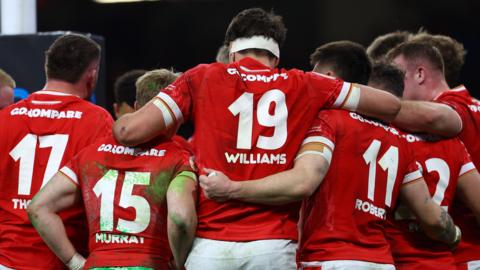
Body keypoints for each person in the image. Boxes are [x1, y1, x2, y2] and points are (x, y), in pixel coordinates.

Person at [113, 8, 402, 269]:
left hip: (211, 249)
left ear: (232, 52)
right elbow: (390, 105)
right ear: (275, 57)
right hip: (273, 248)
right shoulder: (306, 84)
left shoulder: (201, 78)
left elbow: (129, 132)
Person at [199, 46, 461, 270]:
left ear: (329, 77)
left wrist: (233, 188)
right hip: (380, 261)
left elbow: (304, 181)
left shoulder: (327, 122)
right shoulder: (399, 141)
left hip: (328, 258)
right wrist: (455, 236)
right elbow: (432, 217)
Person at [28, 68, 197, 270]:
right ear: (178, 115)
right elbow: (180, 218)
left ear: (136, 107)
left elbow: (38, 207)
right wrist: (178, 263)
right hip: (150, 264)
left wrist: (75, 263)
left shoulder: (90, 154)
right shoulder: (179, 158)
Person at [0, 34, 113, 269]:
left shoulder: (6, 118)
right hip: (63, 258)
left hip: (7, 258)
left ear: (47, 67)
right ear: (92, 75)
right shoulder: (96, 121)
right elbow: (105, 195)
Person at [369, 62, 480, 270]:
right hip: (447, 261)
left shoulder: (386, 140)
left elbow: (431, 218)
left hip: (394, 259)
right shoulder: (453, 143)